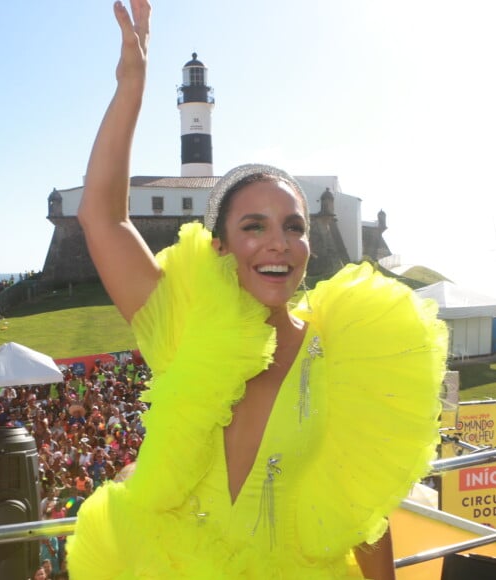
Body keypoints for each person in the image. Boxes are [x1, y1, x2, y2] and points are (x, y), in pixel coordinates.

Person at [66, 1, 447, 578]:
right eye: (254, 227)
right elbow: (102, 217)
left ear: (308, 245)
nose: (278, 243)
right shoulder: (181, 324)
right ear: (218, 245)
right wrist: (131, 87)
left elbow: (361, 509)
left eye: (293, 227)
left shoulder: (343, 352)